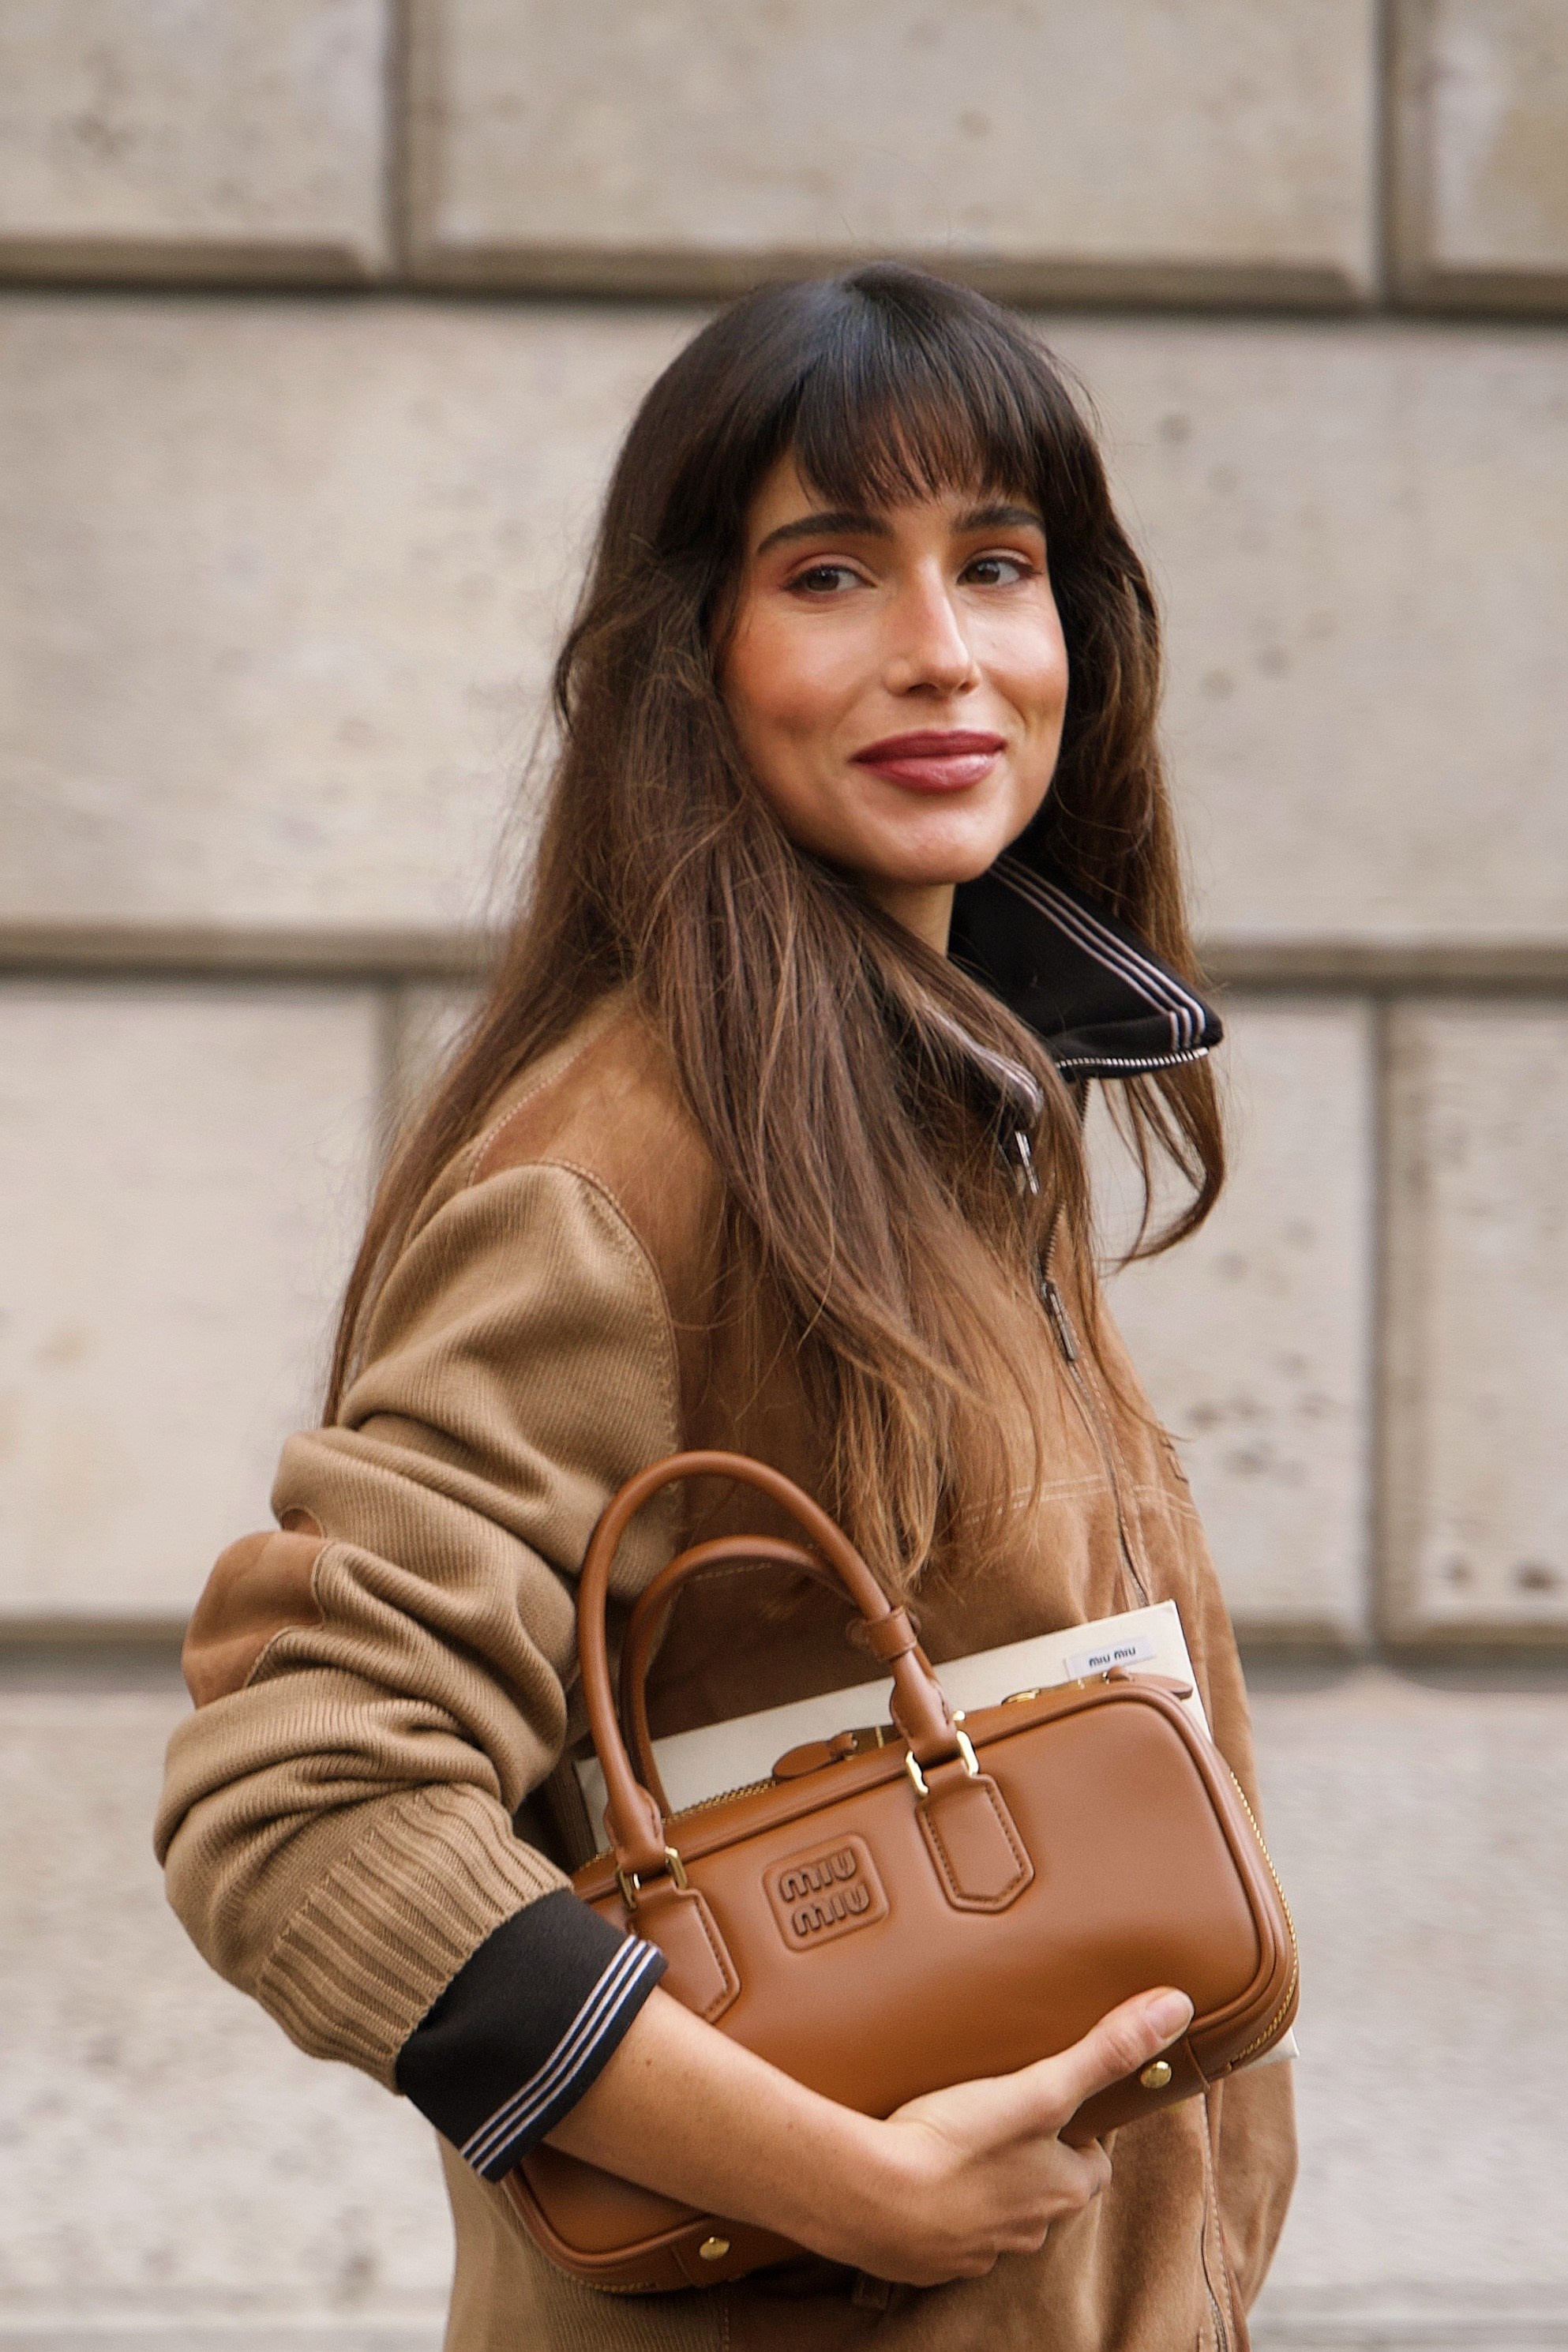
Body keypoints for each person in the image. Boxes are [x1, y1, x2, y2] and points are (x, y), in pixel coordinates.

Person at [157, 264, 1296, 2350]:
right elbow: (303, 1799)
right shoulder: (628, 1173)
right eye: (831, 572)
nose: (941, 650)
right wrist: (844, 2185)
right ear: (696, 651)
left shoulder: (953, 1113)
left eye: (997, 564)